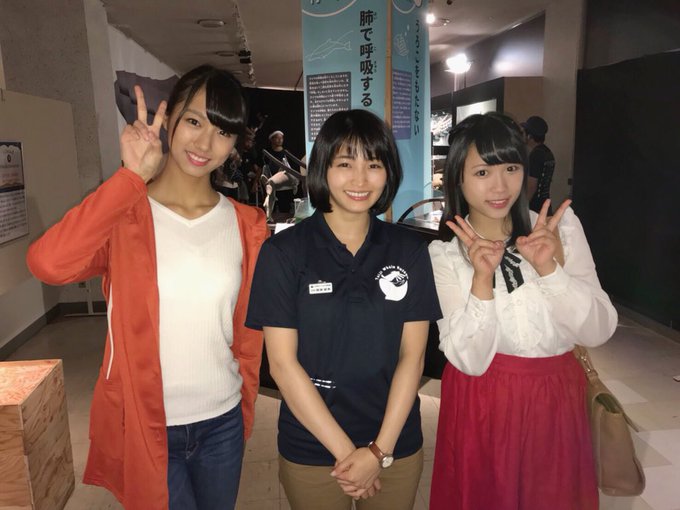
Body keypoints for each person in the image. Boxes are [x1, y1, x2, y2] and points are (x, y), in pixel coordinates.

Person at [26, 65, 268, 510]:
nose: (204, 144)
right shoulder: (127, 215)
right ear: (168, 117)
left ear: (235, 141)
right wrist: (130, 180)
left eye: (223, 131)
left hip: (223, 421)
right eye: (193, 121)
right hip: (146, 424)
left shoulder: (247, 225)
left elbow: (249, 333)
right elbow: (48, 263)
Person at [245, 109, 441, 510]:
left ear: (388, 172)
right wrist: (349, 454)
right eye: (345, 164)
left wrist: (377, 451)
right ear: (323, 169)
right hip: (312, 447)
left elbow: (413, 356)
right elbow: (282, 365)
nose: (360, 179)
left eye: (374, 164)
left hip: (395, 444)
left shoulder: (409, 251)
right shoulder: (283, 253)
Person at [428, 112, 618, 510]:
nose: (500, 187)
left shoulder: (560, 229)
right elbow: (469, 360)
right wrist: (482, 281)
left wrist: (550, 269)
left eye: (511, 168)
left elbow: (599, 330)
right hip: (482, 400)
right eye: (482, 172)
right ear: (458, 178)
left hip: (556, 397)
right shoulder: (445, 253)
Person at [522, 115, 555, 213]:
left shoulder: (536, 155)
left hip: (535, 207)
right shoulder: (548, 152)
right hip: (545, 204)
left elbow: (532, 185)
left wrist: (523, 207)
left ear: (529, 136)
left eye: (524, 133)